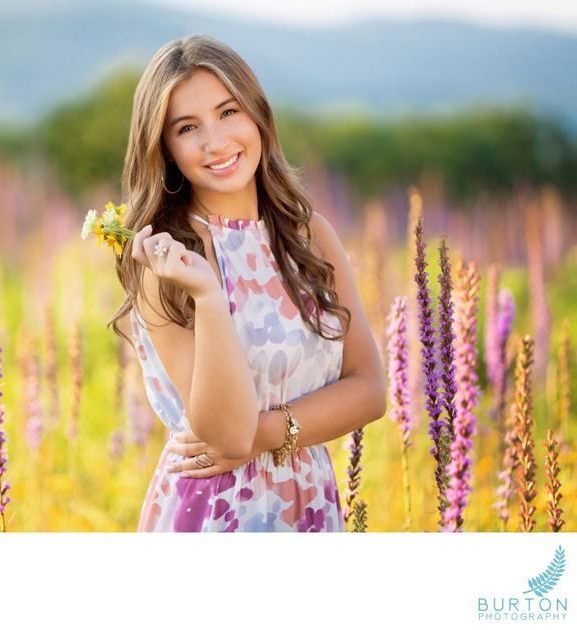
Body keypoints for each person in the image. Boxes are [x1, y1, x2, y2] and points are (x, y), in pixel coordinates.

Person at [110, 34, 386, 532]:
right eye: (188, 127)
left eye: (228, 112)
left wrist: (265, 432)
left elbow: (369, 390)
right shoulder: (167, 264)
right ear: (166, 149)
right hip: (216, 513)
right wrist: (208, 296)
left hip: (310, 507)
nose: (216, 142)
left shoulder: (311, 236)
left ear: (257, 114)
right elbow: (227, 437)